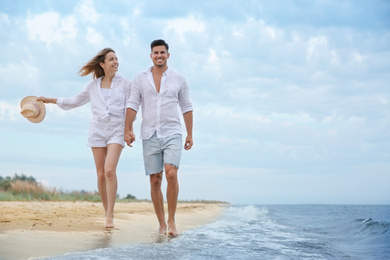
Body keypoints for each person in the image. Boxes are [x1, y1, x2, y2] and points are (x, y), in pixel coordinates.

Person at [38, 48, 132, 228]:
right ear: (102, 64)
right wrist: (49, 100)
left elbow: (131, 107)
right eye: (111, 59)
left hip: (117, 129)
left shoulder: (126, 84)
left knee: (109, 170)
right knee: (100, 174)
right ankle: (106, 212)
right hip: (97, 129)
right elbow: (73, 101)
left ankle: (110, 215)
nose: (115, 62)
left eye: (116, 58)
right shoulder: (92, 86)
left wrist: (128, 130)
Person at [124, 39, 193, 237]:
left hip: (172, 132)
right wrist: (127, 129)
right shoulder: (140, 78)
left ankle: (172, 220)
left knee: (171, 173)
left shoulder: (179, 79)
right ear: (151, 55)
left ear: (168, 55)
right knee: (155, 180)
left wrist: (190, 134)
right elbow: (132, 104)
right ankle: (162, 224)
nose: (159, 55)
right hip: (149, 133)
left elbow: (186, 106)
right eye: (156, 52)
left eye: (162, 52)